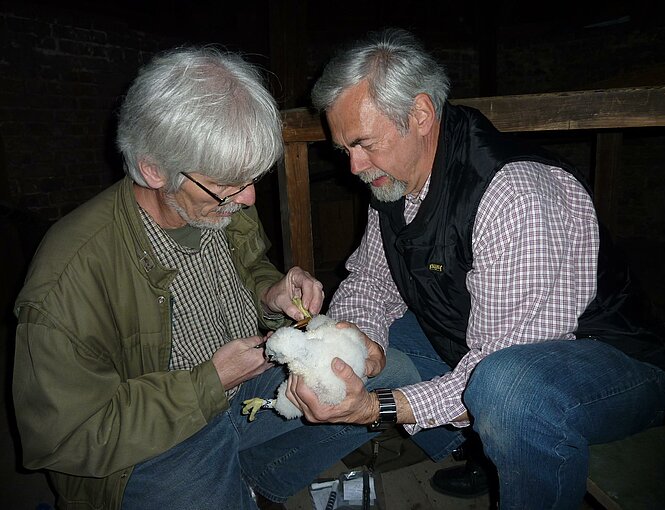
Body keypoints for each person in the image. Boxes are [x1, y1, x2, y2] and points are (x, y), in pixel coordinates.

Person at [284, 28, 665, 508]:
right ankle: (485, 449)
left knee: (508, 395)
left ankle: (510, 444)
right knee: (332, 341)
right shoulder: (391, 180)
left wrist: (379, 407)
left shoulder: (513, 194)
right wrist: (359, 342)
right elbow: (371, 280)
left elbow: (505, 359)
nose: (354, 166)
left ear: (421, 114)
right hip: (488, 342)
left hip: (611, 363)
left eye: (364, 143)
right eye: (345, 150)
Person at [12, 45, 419, 510]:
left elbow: (250, 269)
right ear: (153, 169)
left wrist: (271, 294)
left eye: (251, 179)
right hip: (155, 440)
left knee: (392, 375)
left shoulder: (218, 202)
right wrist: (209, 382)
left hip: (248, 384)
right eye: (229, 184)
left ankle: (258, 481)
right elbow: (63, 439)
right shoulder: (68, 279)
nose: (247, 200)